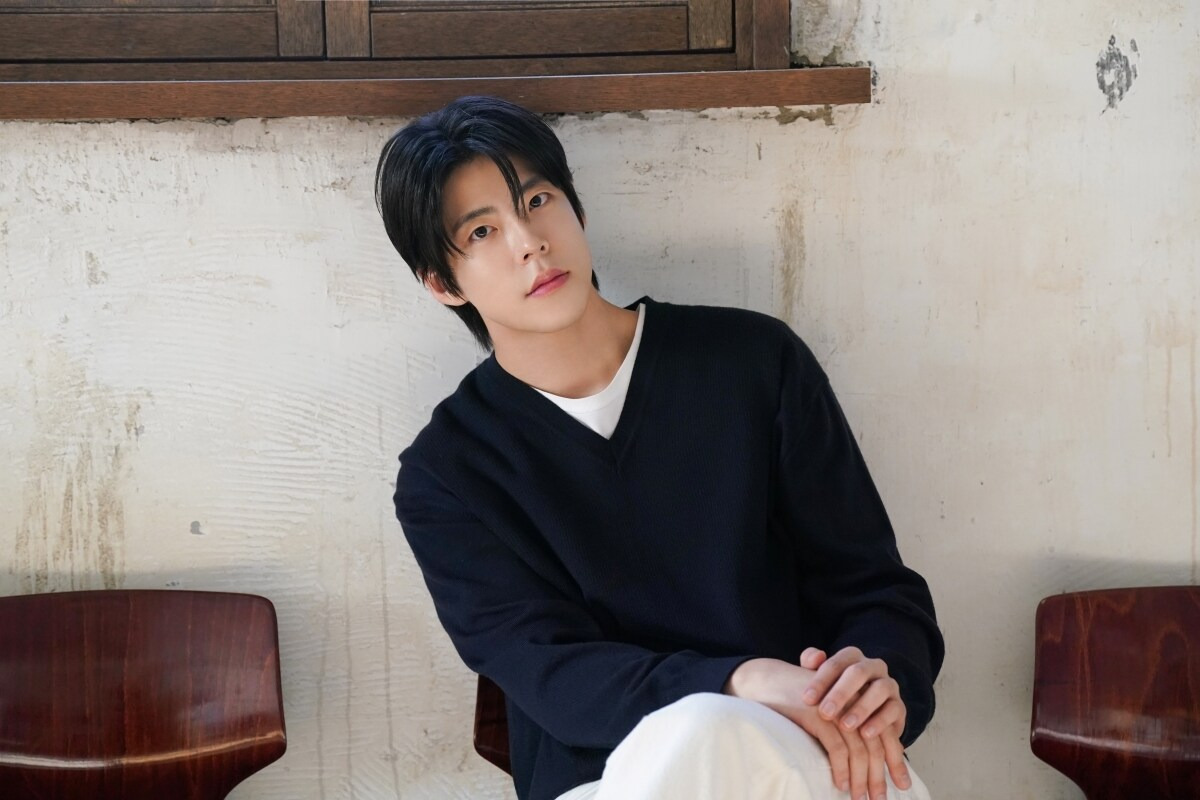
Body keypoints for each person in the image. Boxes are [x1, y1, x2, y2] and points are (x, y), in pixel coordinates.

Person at [375, 96, 944, 800]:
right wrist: (734, 683)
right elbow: (550, 674)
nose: (530, 242)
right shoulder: (446, 476)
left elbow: (871, 585)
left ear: (578, 211)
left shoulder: (753, 363)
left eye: (538, 201)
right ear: (442, 283)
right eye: (483, 231)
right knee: (702, 728)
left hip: (800, 759)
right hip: (606, 782)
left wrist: (879, 682)